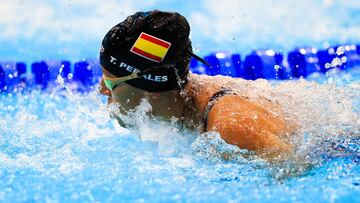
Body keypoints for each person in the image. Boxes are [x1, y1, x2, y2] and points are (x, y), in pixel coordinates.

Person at [98, 10, 295, 161]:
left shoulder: (231, 127)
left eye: (109, 81)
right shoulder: (186, 107)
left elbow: (295, 171)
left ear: (151, 91)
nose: (102, 89)